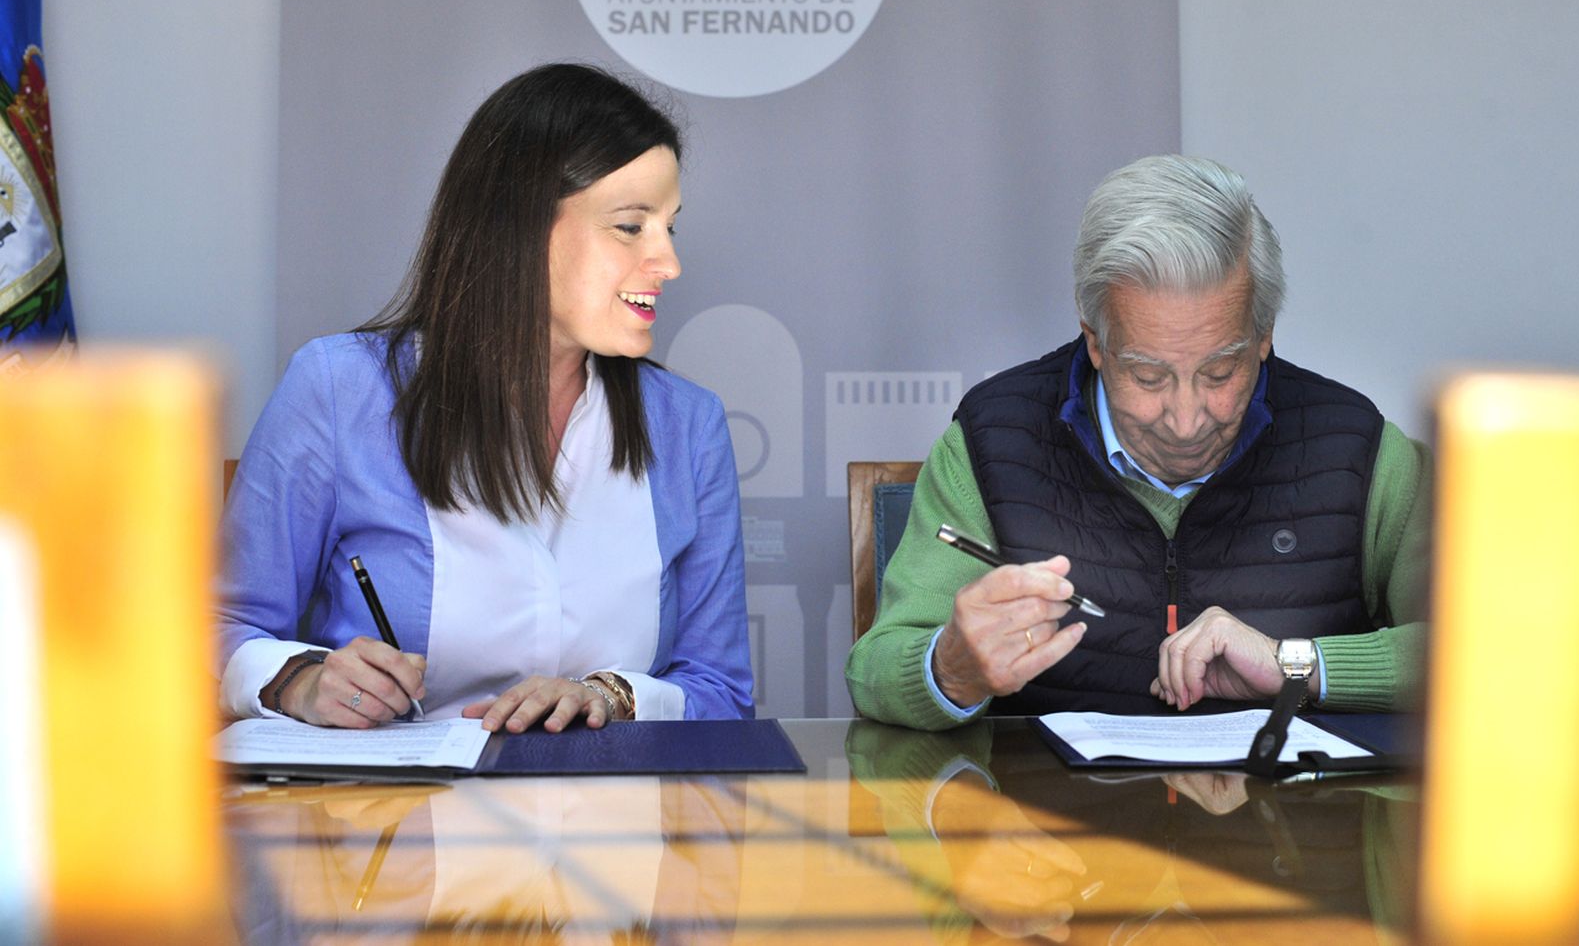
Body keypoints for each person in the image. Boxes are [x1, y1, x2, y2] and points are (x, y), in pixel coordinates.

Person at [216, 63, 753, 733]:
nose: (668, 262)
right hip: (394, 799)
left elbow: (722, 692)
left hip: (613, 800)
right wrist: (300, 680)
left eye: (669, 227)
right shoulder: (337, 389)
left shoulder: (689, 425)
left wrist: (618, 696)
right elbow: (215, 629)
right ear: (519, 226)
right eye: (630, 226)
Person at [846, 154, 1429, 729]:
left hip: (1285, 794)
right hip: (1046, 796)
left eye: (1220, 373)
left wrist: (1297, 665)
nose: (1186, 420)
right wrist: (951, 668)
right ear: (1095, 342)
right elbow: (875, 668)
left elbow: (1477, 650)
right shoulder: (994, 442)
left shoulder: (1358, 451)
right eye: (1149, 377)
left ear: (1263, 337)